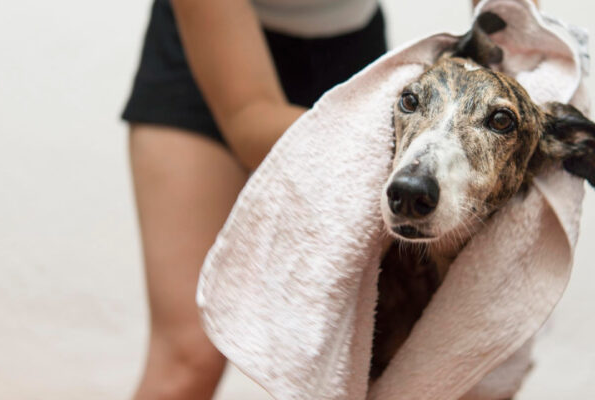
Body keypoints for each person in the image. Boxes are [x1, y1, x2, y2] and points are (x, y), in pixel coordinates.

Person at [121, 0, 537, 399]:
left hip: (350, 55)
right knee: (188, 360)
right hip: (207, 58)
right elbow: (249, 121)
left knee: (426, 360)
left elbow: (517, 27)